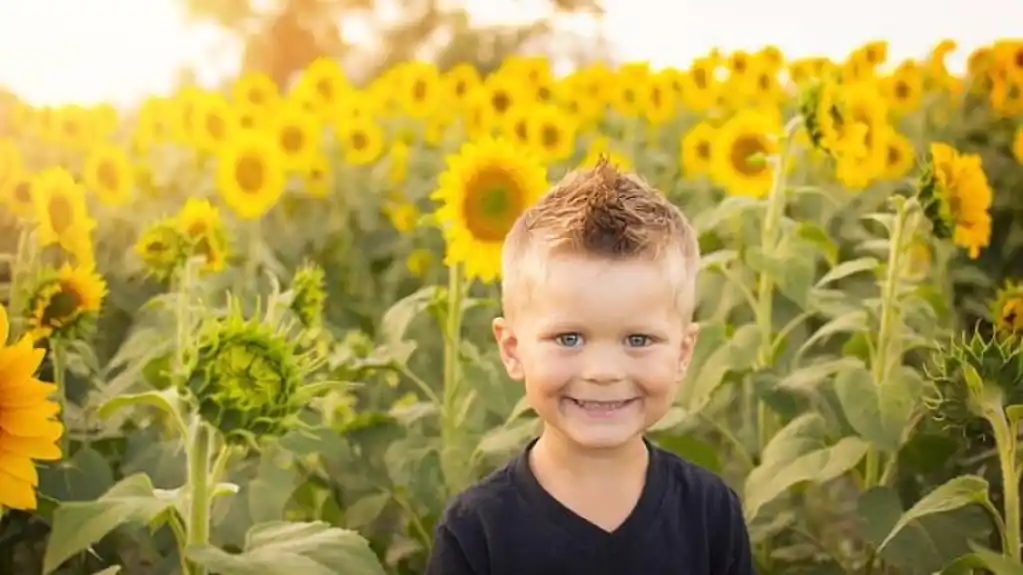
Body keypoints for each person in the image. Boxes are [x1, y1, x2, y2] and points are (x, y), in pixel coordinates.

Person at [425, 157, 755, 574]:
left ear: (683, 353)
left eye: (638, 340)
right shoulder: (477, 531)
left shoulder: (710, 515)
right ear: (512, 350)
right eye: (569, 339)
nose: (602, 371)